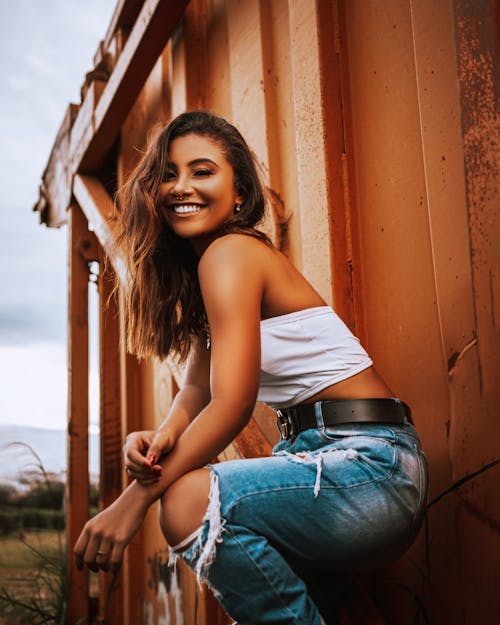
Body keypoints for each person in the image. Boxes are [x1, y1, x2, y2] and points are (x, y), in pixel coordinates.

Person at [74, 110, 428, 625]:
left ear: (239, 191)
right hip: (333, 462)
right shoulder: (210, 273)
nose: (181, 187)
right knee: (187, 495)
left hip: (371, 467)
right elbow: (196, 388)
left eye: (202, 171)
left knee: (186, 503)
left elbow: (233, 404)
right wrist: (159, 441)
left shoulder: (231, 254)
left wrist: (133, 501)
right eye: (168, 174)